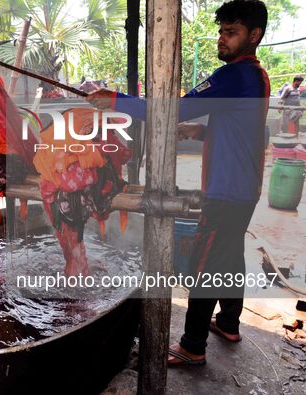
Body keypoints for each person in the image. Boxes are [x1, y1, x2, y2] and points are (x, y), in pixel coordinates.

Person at [86, 0, 269, 367]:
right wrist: (202, 130)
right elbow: (254, 130)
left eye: (231, 33)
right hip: (245, 189)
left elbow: (168, 108)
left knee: (204, 265)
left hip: (226, 192)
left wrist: (115, 100)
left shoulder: (233, 76)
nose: (222, 39)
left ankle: (192, 346)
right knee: (229, 256)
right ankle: (229, 323)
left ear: (254, 36)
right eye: (221, 31)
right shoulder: (257, 77)